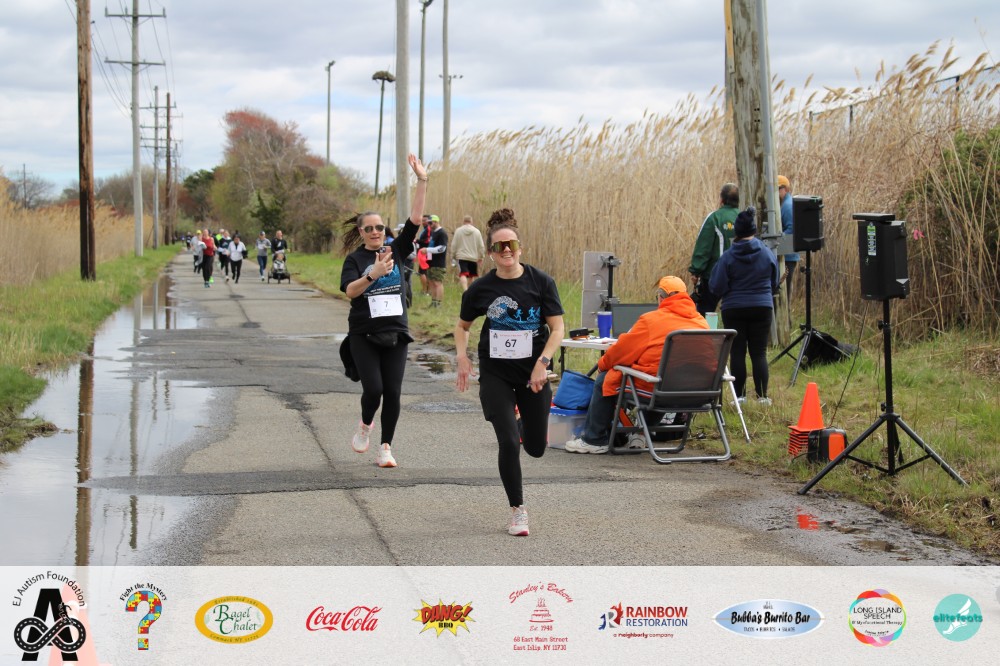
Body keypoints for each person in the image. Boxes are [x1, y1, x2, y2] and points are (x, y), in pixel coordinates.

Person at [455, 208, 565, 537]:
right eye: (499, 246)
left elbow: (558, 328)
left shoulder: (541, 282)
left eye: (511, 245)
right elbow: (462, 327)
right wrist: (462, 356)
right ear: (490, 253)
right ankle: (518, 511)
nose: (506, 251)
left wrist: (542, 363)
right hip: (496, 374)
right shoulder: (481, 289)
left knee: (536, 447)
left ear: (520, 248)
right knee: (507, 443)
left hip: (533, 373)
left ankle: (520, 422)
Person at [339, 153, 428, 468]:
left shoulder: (396, 250)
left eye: (379, 227)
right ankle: (365, 424)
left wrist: (422, 180)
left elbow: (415, 220)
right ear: (361, 232)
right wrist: (372, 275)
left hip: (396, 332)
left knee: (393, 392)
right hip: (364, 333)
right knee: (374, 389)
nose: (375, 232)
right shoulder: (355, 260)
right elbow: (350, 291)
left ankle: (386, 447)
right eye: (369, 228)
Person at [565, 276, 708, 454]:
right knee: (663, 381)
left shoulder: (651, 320)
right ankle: (640, 433)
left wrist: (602, 364)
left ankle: (594, 440)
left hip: (659, 391)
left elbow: (621, 352)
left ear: (660, 298)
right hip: (697, 393)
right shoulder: (701, 322)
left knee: (605, 379)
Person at [709, 206, 780, 405]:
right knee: (759, 352)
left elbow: (716, 286)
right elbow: (774, 281)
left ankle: (740, 397)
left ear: (737, 232)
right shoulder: (766, 253)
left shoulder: (728, 257)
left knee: (737, 352)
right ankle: (762, 397)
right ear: (754, 230)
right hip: (762, 307)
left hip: (734, 308)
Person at [688, 182, 739, 315]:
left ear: (721, 199)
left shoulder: (714, 218)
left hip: (714, 275)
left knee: (705, 312)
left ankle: (707, 328)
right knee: (734, 311)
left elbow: (703, 247)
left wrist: (696, 271)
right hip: (738, 274)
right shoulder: (743, 217)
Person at [777, 175, 799, 299]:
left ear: (785, 189)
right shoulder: (785, 204)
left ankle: (787, 312)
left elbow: (791, 230)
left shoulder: (788, 206)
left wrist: (775, 242)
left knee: (784, 291)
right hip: (786, 254)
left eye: (778, 189)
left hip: (787, 256)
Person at [452, 214, 486, 292]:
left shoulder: (458, 231)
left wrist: (453, 255)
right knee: (471, 275)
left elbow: (454, 245)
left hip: (461, 256)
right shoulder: (477, 231)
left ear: (463, 221)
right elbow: (481, 246)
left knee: (463, 274)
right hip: (473, 257)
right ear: (471, 222)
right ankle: (470, 291)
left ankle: (465, 290)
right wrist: (481, 256)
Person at [421, 215, 448, 307]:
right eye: (428, 223)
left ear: (436, 222)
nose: (429, 225)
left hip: (439, 263)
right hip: (431, 262)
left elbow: (442, 248)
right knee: (431, 282)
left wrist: (427, 250)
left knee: (437, 283)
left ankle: (438, 303)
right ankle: (433, 302)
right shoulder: (433, 233)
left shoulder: (442, 233)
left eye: (430, 223)